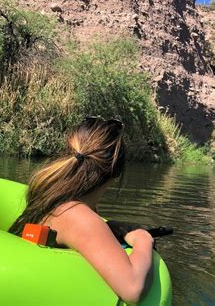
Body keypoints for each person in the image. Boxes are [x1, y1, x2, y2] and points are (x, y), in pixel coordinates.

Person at [8, 117, 154, 303]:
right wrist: (143, 238)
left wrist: (107, 228)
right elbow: (133, 289)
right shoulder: (76, 214)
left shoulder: (47, 193)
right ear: (116, 173)